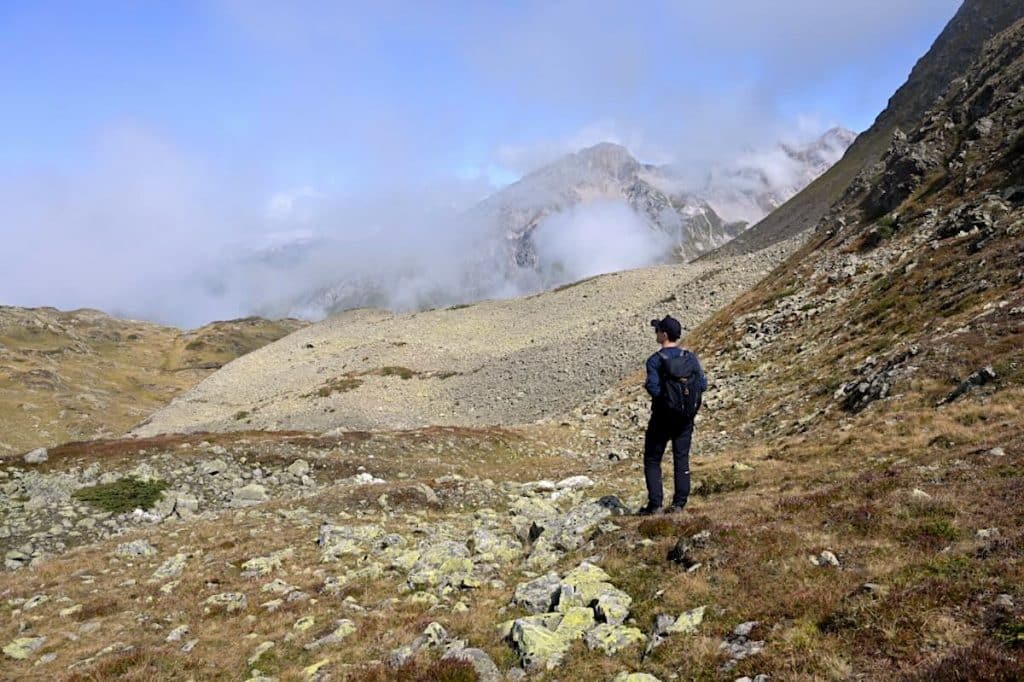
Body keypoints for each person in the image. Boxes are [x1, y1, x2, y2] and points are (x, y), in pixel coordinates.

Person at [638, 315, 707, 516]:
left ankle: (655, 505)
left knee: (652, 458)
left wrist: (666, 402)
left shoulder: (655, 360)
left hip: (662, 417)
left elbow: (653, 387)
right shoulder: (690, 357)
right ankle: (679, 504)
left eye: (657, 330)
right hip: (686, 417)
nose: (656, 333)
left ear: (664, 335)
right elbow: (702, 385)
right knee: (681, 457)